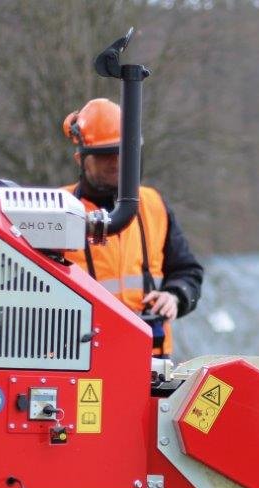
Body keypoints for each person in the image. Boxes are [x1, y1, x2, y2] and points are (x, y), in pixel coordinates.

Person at [60, 98, 203, 356]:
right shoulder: (57, 210)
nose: (116, 162)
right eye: (105, 155)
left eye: (122, 153)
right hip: (81, 360)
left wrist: (175, 296)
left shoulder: (153, 204)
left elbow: (187, 272)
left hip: (150, 358)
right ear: (80, 159)